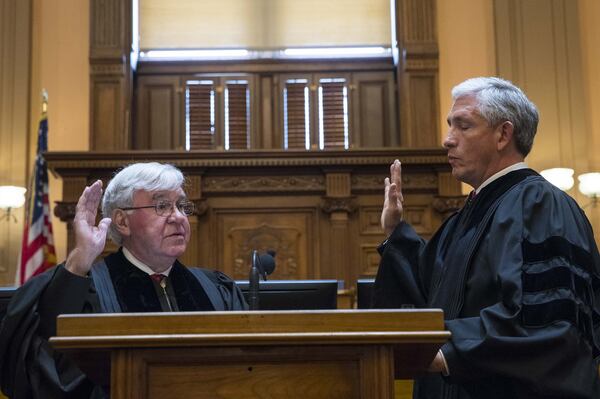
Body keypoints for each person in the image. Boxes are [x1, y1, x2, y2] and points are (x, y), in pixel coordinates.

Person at [374, 77, 600, 398]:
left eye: (463, 126)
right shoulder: (464, 217)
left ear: (503, 134)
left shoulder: (539, 204)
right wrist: (395, 232)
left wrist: (448, 351)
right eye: (450, 126)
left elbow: (544, 318)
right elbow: (430, 295)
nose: (447, 140)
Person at [0, 162, 247, 399]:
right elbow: (40, 367)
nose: (178, 217)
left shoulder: (214, 289)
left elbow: (249, 369)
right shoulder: (88, 289)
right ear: (122, 221)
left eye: (182, 206)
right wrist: (81, 257)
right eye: (162, 206)